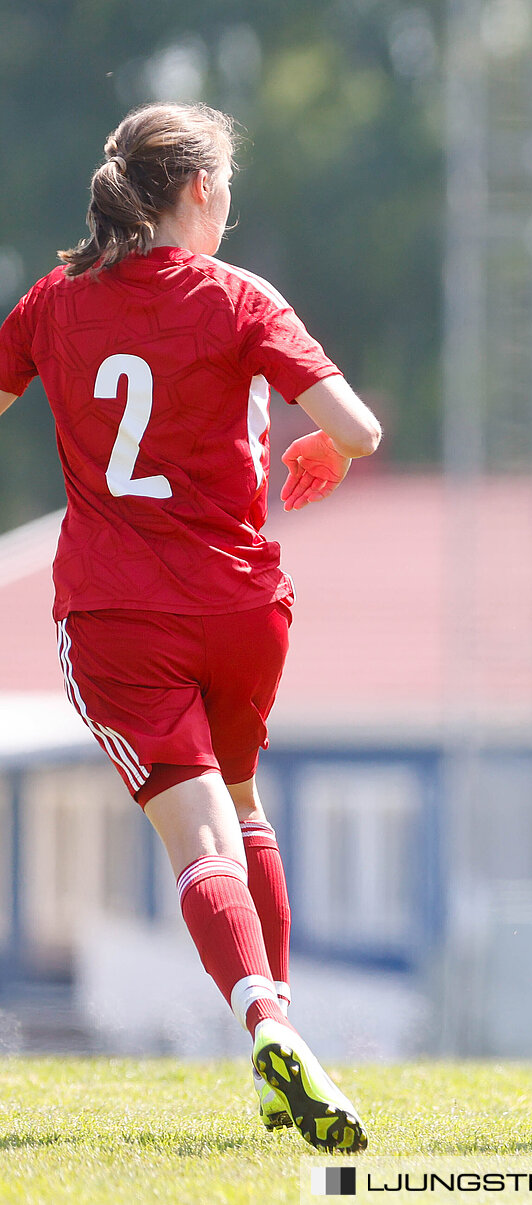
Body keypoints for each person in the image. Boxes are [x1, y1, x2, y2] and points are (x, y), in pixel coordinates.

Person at [0, 102, 381, 1153]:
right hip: (242, 607)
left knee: (197, 835)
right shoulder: (239, 296)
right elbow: (358, 427)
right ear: (201, 192)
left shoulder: (53, 303)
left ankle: (264, 1020)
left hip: (120, 613)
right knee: (245, 802)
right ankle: (292, 1035)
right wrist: (328, 453)